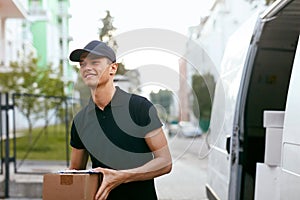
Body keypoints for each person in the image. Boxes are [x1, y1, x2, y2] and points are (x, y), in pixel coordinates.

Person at [68, 40, 172, 200]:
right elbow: (75, 172)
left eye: (94, 62)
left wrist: (121, 176)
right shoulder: (80, 121)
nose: (86, 68)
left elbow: (165, 162)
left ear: (113, 68)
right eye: (82, 64)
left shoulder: (139, 108)